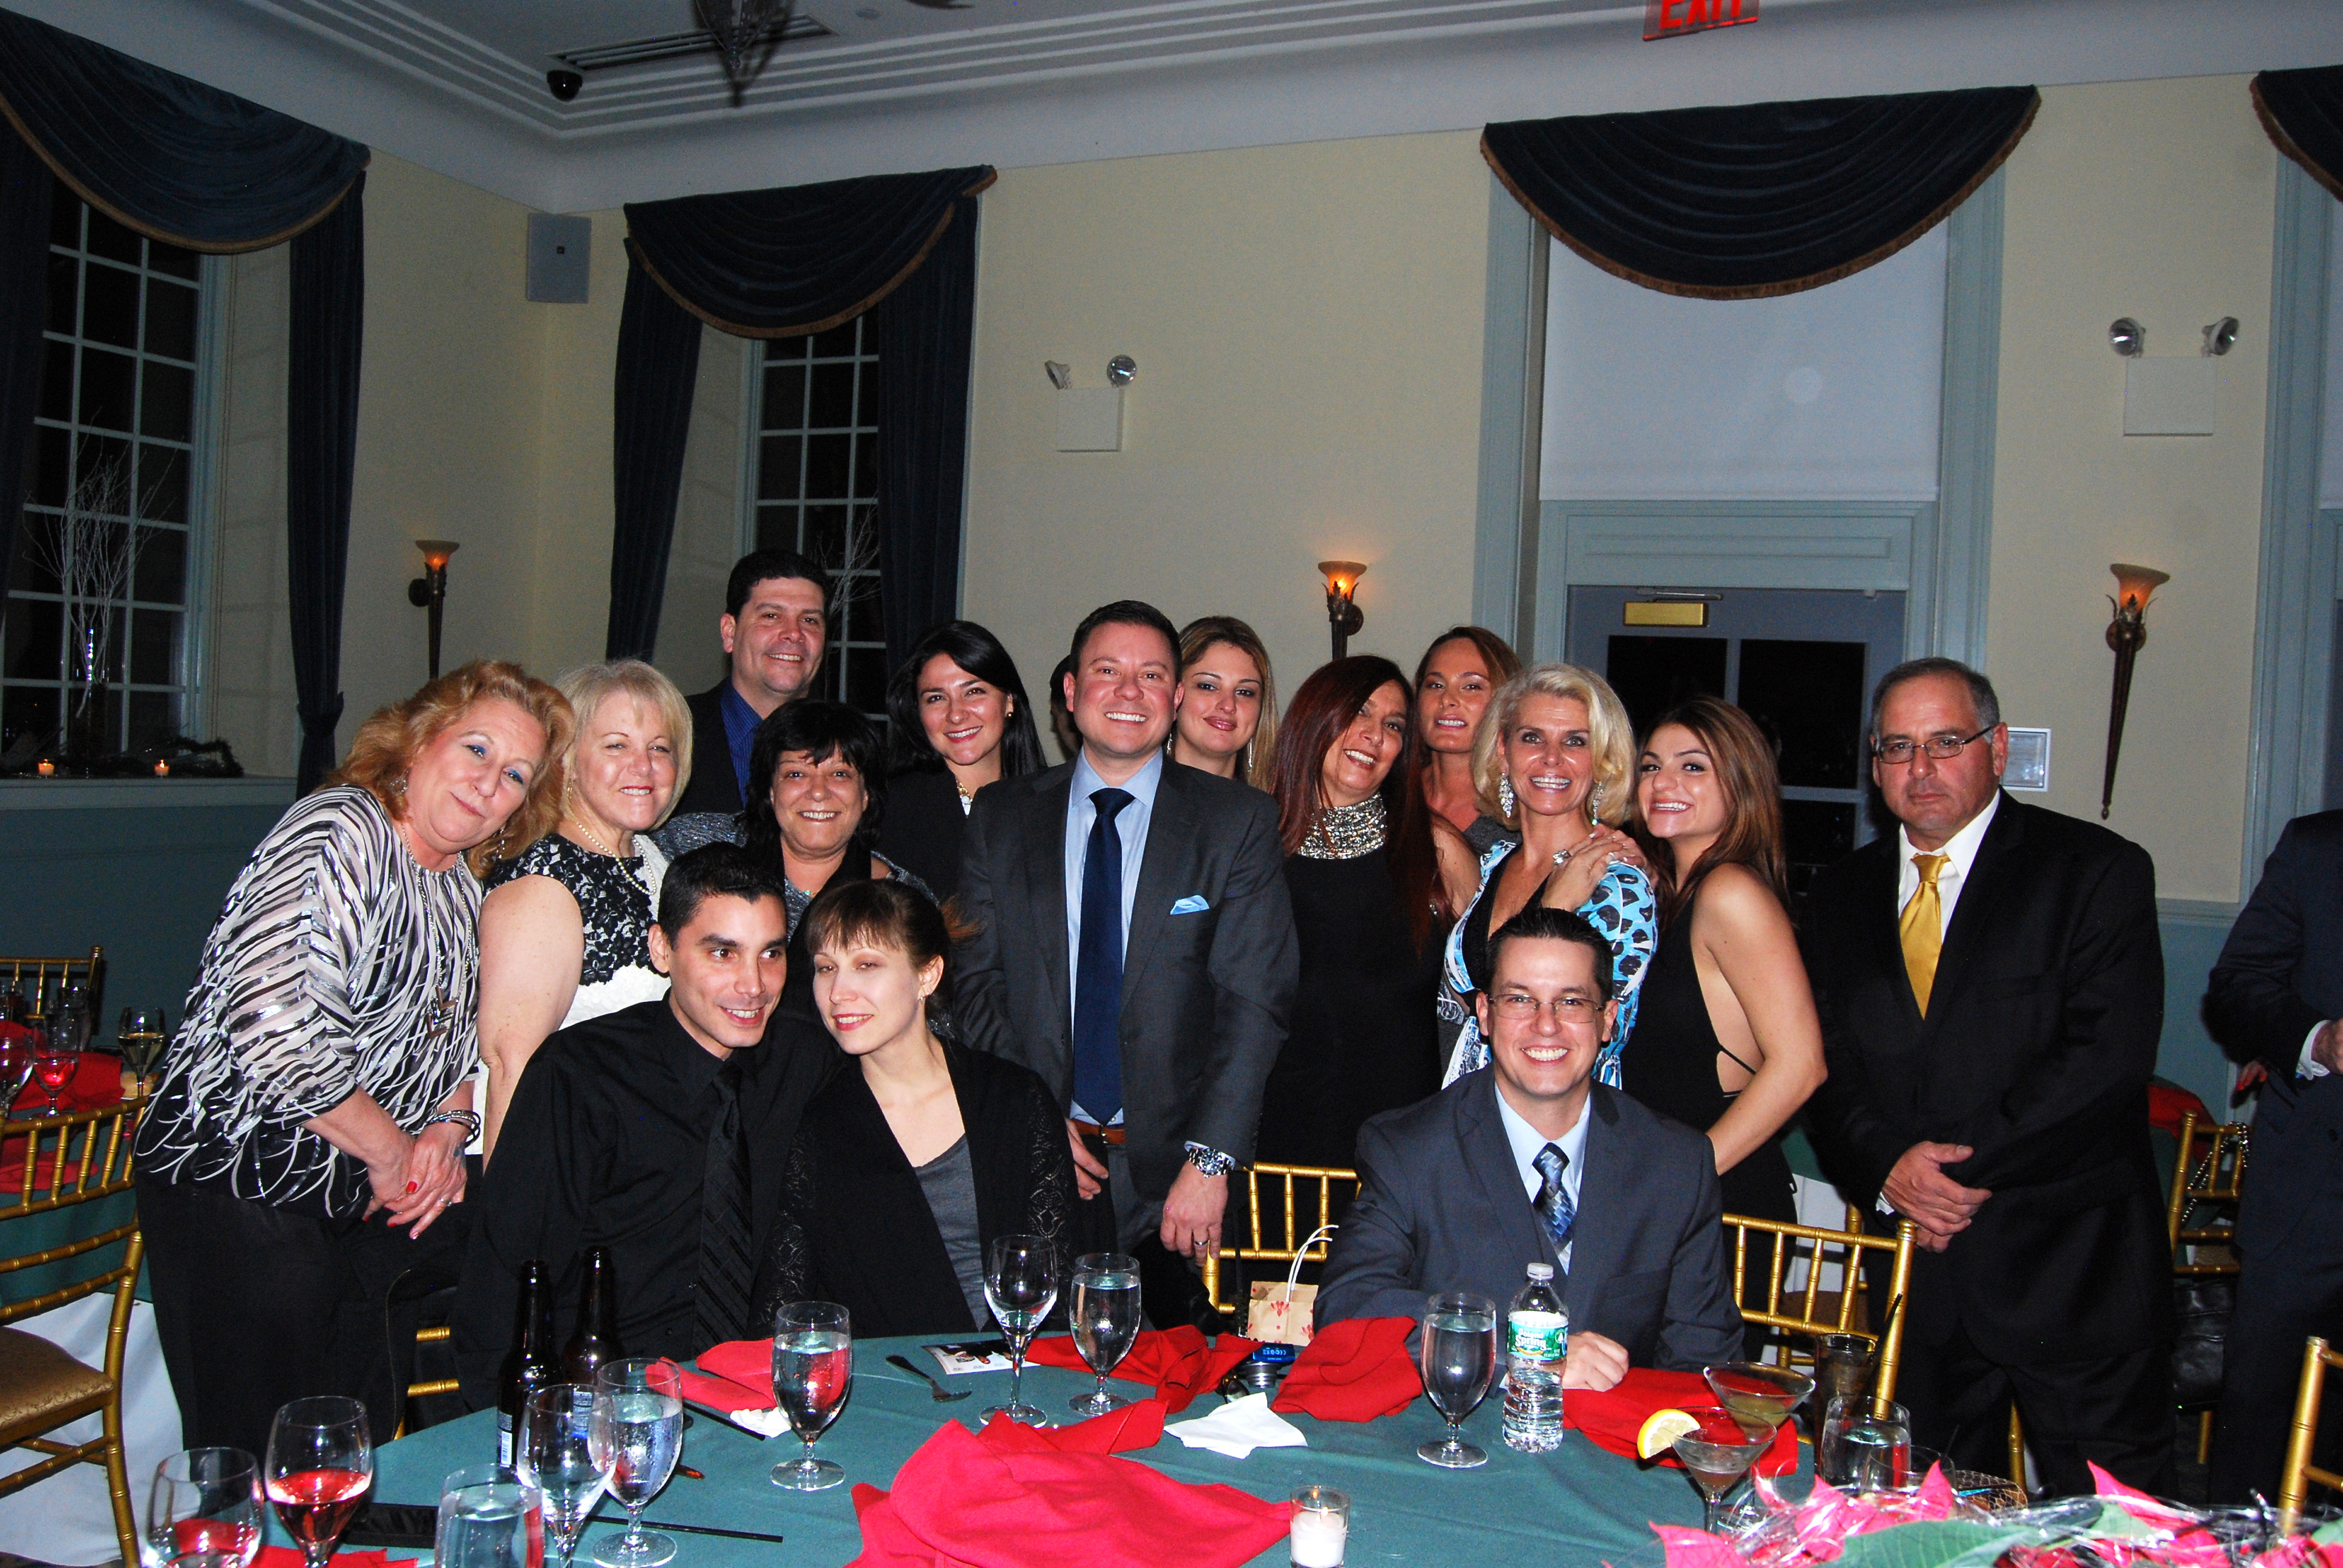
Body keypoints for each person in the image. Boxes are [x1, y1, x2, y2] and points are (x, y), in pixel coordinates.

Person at [134, 661, 569, 1457]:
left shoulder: (458, 885)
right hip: (241, 1179)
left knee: (338, 1449)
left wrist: (448, 1128)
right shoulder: (342, 828)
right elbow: (274, 1023)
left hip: (349, 1198)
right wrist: (392, 1151)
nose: (488, 783)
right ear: (419, 741)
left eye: (514, 774)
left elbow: (455, 1042)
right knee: (258, 1457)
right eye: (476, 749)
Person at [1803, 658, 2171, 1497]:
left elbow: (2104, 1062)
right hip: (1918, 1281)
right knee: (1926, 1520)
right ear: (1873, 764)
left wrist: (1943, 1181)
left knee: (2113, 1527)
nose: (1921, 769)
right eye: (1898, 748)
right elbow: (1826, 1065)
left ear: (1997, 749)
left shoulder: (2092, 870)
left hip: (2071, 1273)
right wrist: (1888, 1170)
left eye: (1946, 743)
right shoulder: (1841, 893)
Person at [957, 599, 1298, 1325]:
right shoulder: (1001, 815)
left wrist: (1209, 1163)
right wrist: (1034, 1120)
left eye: (1151, 675)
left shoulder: (1234, 822)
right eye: (1107, 671)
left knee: (1181, 1380)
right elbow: (976, 984)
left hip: (1177, 1180)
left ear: (1174, 698)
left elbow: (1254, 1002)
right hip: (1037, 1160)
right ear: (1071, 690)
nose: (1128, 692)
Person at [453, 844, 835, 1395]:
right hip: (605, 1394)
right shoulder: (581, 1076)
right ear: (662, 949)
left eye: (770, 954)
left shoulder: (800, 1058)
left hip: (756, 1392)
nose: (753, 985)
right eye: (722, 953)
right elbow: (505, 1281)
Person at [1314, 906, 1744, 1383]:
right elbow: (1350, 1306)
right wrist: (1528, 1355)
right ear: (1484, 1014)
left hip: (1614, 1429)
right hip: (1468, 1423)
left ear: (1607, 1020)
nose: (1546, 1025)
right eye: (1520, 1000)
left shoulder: (1675, 1164)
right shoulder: (1410, 1150)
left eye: (1571, 1002)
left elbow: (1703, 1358)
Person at [752, 880, 1075, 1337]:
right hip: (886, 1375)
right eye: (826, 968)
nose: (838, 992)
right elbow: (782, 1308)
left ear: (927, 975)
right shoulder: (818, 1127)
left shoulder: (1014, 1099)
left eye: (866, 965)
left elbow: (1054, 1284)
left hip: (1017, 1364)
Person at [1630, 697, 1827, 1350]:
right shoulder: (1668, 894)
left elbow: (1801, 1065)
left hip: (1722, 1202)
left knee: (1696, 1404)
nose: (1663, 782)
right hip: (1676, 1196)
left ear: (1740, 784)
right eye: (1651, 766)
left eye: (1693, 767)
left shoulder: (1730, 893)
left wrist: (1685, 1177)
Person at [1257, 656, 1477, 1172]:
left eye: (1394, 725)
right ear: (1314, 718)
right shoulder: (1251, 843)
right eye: (1359, 711)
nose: (1375, 735)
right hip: (1270, 1151)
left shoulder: (1436, 849)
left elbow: (1494, 988)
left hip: (1404, 1154)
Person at [476, 660, 692, 1157]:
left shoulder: (651, 857)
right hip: (557, 1161)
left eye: (660, 748)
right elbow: (510, 1068)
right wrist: (514, 1202)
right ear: (567, 761)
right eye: (617, 745)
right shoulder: (544, 879)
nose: (644, 767)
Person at [2202, 812, 2343, 1501]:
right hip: (2311, 1204)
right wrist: (2317, 1040)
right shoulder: (2319, 850)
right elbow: (2236, 988)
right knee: (2261, 1453)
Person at [1442, 664, 1656, 1089]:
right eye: (1532, 738)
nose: (1552, 758)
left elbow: (1595, 1039)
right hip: (1469, 1105)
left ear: (1601, 762)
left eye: (1575, 741)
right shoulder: (1495, 862)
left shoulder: (1618, 887)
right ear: (1503, 751)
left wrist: (1552, 910)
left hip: (1555, 1117)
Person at [661, 701, 931, 1022]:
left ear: (866, 795)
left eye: (840, 774)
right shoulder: (690, 844)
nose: (818, 792)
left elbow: (932, 1022)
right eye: (796, 774)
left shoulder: (903, 900)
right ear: (771, 790)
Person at [878, 621, 1047, 905]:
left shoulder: (1052, 802)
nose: (956, 714)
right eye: (936, 698)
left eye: (974, 692)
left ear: (1009, 701)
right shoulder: (894, 810)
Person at [674, 549, 830, 817]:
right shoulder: (672, 733)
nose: (794, 633)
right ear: (729, 632)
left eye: (809, 620)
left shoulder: (849, 748)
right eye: (771, 616)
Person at [1415, 626, 1522, 856]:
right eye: (1436, 685)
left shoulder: (1524, 811)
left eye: (1472, 687)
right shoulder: (1390, 792)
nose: (1447, 699)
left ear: (1507, 701)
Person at [1168, 616, 1277, 789]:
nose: (1228, 705)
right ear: (1175, 693)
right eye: (1208, 687)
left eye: (1244, 692)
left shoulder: (1278, 804)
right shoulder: (1128, 797)